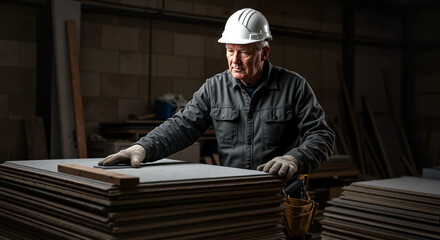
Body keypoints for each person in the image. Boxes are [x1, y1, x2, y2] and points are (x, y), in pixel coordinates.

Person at [98, 8, 335, 181]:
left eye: (244, 52)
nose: (234, 60)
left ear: (264, 53)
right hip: (232, 192)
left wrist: (293, 159)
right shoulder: (214, 88)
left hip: (279, 194)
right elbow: (182, 126)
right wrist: (143, 148)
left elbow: (322, 137)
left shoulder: (294, 86)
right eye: (230, 50)